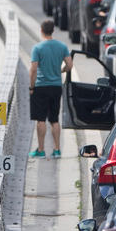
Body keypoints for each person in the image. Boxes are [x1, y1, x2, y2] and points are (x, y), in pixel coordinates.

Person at [29, 19, 73, 158]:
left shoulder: (37, 48)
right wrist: (62, 70)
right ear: (53, 30)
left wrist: (32, 86)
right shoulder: (62, 46)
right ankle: (57, 149)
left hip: (41, 87)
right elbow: (70, 65)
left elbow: (34, 69)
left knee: (40, 119)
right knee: (54, 119)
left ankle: (41, 150)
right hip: (56, 87)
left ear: (41, 30)